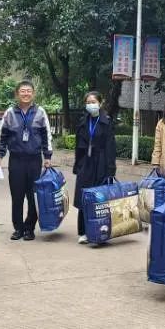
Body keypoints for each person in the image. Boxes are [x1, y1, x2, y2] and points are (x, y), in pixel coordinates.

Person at [0, 80, 53, 241]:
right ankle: (18, 229)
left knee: (33, 196)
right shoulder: (10, 112)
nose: (26, 93)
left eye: (28, 91)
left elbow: (46, 135)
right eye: (22, 91)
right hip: (16, 160)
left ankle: (29, 228)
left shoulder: (40, 112)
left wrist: (47, 156)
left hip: (34, 160)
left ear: (33, 94)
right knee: (17, 196)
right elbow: (2, 135)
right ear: (17, 93)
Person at [72, 91, 116, 245]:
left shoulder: (106, 121)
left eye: (93, 102)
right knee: (84, 197)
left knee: (100, 198)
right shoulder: (83, 121)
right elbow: (78, 146)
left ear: (100, 103)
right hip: (85, 163)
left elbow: (111, 147)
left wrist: (111, 169)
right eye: (88, 102)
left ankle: (100, 231)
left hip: (101, 163)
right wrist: (77, 165)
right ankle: (83, 232)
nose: (91, 105)